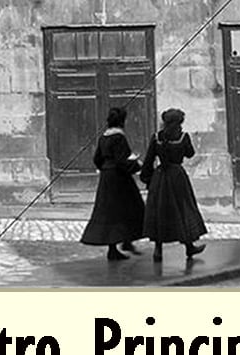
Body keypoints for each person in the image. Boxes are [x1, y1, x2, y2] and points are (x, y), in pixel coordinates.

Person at [80, 105, 147, 262]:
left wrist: (104, 168)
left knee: (112, 211)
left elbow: (97, 158)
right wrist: (137, 164)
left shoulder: (104, 137)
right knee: (127, 209)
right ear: (122, 121)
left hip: (107, 178)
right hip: (119, 179)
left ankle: (126, 241)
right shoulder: (119, 137)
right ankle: (116, 248)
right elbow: (122, 161)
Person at [140, 107, 207, 262]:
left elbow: (149, 159)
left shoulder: (157, 137)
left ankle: (158, 250)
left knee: (160, 211)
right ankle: (189, 246)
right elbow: (190, 153)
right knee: (182, 209)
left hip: (160, 177)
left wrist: (147, 178)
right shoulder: (183, 137)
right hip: (177, 177)